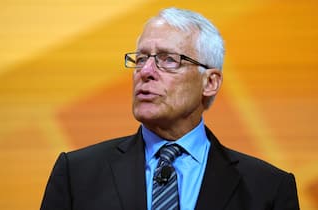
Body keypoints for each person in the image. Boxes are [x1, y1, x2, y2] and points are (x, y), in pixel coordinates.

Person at [40, 7, 300, 210]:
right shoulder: (77, 174)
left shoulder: (268, 188)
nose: (146, 72)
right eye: (141, 59)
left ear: (209, 82)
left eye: (168, 60)